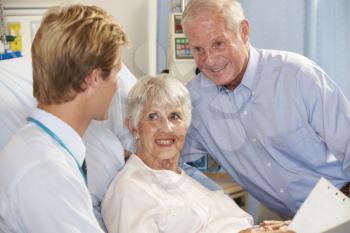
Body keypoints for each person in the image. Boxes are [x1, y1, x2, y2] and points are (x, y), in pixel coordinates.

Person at [180, 0, 350, 218]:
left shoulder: (296, 75)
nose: (210, 60)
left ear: (244, 31)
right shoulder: (193, 101)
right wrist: (215, 197)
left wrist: (327, 215)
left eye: (218, 44)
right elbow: (166, 159)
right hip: (292, 223)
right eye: (198, 49)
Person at [102, 74, 295, 233]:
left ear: (186, 125)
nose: (166, 128)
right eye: (153, 117)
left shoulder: (189, 180)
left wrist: (264, 229)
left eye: (174, 116)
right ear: (133, 127)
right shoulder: (130, 190)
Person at [0, 4, 128, 232]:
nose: (118, 85)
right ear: (93, 79)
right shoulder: (47, 173)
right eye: (116, 73)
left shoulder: (37, 146)